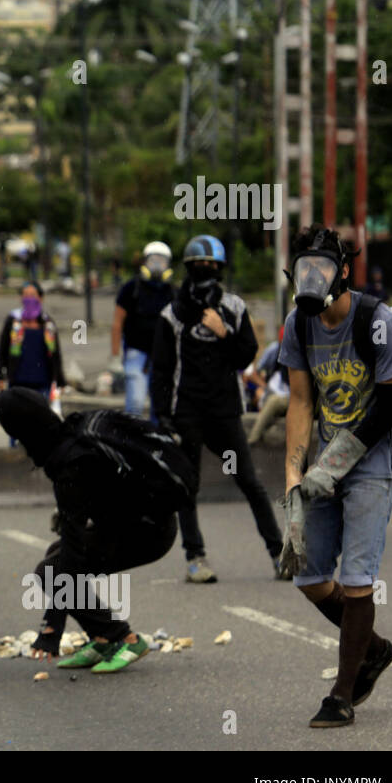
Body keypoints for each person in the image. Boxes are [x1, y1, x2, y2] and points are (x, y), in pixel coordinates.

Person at [278, 226, 392, 727]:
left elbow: (390, 406)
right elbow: (300, 401)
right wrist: (293, 477)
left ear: (343, 272)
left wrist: (332, 465)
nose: (313, 278)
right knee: (309, 577)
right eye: (304, 270)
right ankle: (372, 650)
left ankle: (341, 693)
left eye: (323, 269)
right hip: (324, 465)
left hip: (373, 461)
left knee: (356, 579)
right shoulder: (298, 324)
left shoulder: (378, 321)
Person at [0, 389, 194, 673]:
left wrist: (52, 626)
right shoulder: (73, 431)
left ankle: (124, 638)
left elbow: (74, 551)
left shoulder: (70, 462)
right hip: (144, 524)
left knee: (50, 570)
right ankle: (101, 639)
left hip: (149, 534)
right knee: (56, 556)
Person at [150, 235, 285, 583]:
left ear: (221, 270)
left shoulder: (234, 308)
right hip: (187, 413)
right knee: (187, 486)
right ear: (188, 269)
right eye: (199, 266)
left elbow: (245, 356)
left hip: (225, 412)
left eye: (212, 266)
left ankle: (279, 554)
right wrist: (162, 415)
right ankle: (195, 558)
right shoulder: (171, 315)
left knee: (250, 482)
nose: (205, 271)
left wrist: (223, 332)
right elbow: (161, 370)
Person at [110, 241, 175, 419]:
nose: (157, 265)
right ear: (145, 262)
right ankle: (131, 442)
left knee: (160, 408)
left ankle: (155, 442)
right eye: (153, 260)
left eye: (162, 261)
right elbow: (117, 323)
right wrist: (115, 357)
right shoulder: (131, 288)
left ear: (168, 264)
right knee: (135, 404)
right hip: (136, 353)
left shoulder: (172, 292)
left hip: (162, 357)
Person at [0, 281, 65, 400]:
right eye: (25, 295)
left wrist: (60, 381)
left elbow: (55, 353)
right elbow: (2, 350)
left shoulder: (48, 324)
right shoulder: (13, 321)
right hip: (17, 381)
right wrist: (0, 376)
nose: (29, 299)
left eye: (32, 295)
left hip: (43, 382)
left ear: (41, 298)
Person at [248, 326, 291, 444]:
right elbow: (253, 373)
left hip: (295, 396)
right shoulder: (274, 350)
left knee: (274, 401)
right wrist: (263, 385)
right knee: (261, 395)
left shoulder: (301, 351)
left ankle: (252, 439)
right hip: (278, 390)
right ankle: (252, 439)